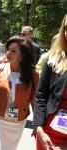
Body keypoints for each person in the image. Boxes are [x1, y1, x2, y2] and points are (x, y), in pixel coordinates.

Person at [0, 35, 39, 150]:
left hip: (19, 121)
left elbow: (34, 99)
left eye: (13, 51)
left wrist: (37, 124)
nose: (8, 53)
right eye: (8, 49)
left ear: (23, 55)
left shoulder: (33, 74)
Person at [33, 14, 67, 150]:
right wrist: (39, 129)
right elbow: (41, 96)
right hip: (49, 132)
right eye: (66, 27)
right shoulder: (53, 60)